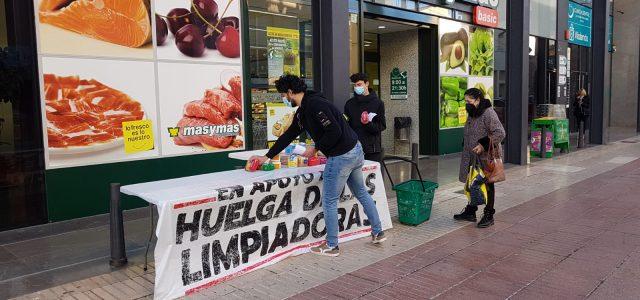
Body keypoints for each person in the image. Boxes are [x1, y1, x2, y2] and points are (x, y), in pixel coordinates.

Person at [249, 75, 386, 257]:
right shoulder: (304, 110)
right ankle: (378, 232)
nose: (284, 98)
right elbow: (288, 135)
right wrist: (266, 156)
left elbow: (334, 130)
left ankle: (331, 245)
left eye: (283, 94)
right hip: (354, 151)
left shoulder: (315, 105)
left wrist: (315, 147)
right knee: (361, 192)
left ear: (290, 92)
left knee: (330, 201)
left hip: (342, 156)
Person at [454, 88, 505, 228]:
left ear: (478, 99)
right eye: (465, 101)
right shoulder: (473, 113)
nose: (467, 104)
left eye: (469, 101)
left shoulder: (488, 113)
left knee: (488, 184)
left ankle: (489, 214)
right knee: (472, 183)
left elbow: (500, 133)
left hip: (485, 157)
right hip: (472, 156)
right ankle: (471, 211)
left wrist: (482, 145)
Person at [344, 73, 386, 163]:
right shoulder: (349, 104)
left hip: (371, 150)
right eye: (354, 85)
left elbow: (382, 126)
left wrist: (368, 123)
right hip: (353, 149)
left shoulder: (378, 103)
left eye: (359, 84)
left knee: (371, 176)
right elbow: (346, 125)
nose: (356, 87)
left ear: (367, 84)